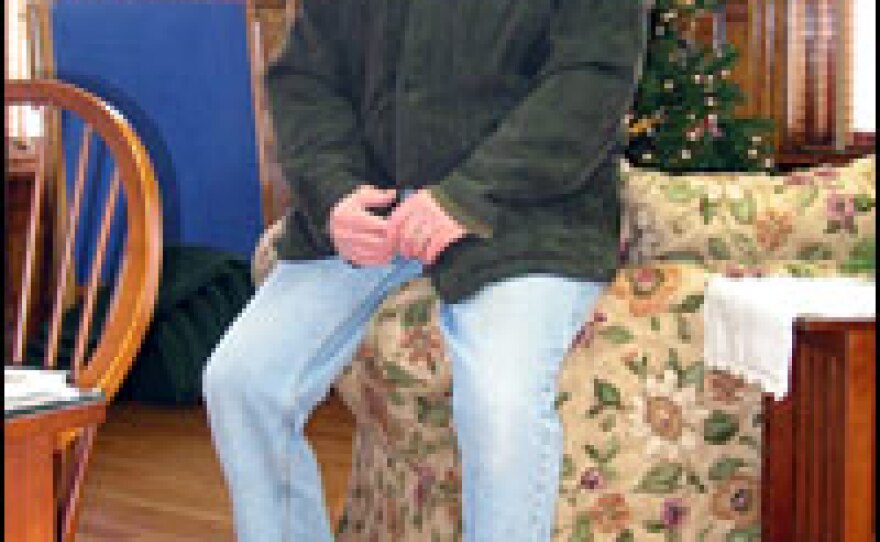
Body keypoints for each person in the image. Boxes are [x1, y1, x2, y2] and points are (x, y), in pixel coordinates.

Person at [203, 1, 646, 540]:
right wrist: (334, 196)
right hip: (375, 209)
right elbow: (305, 81)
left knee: (500, 408)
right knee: (241, 381)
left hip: (527, 213)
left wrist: (464, 197)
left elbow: (588, 86)